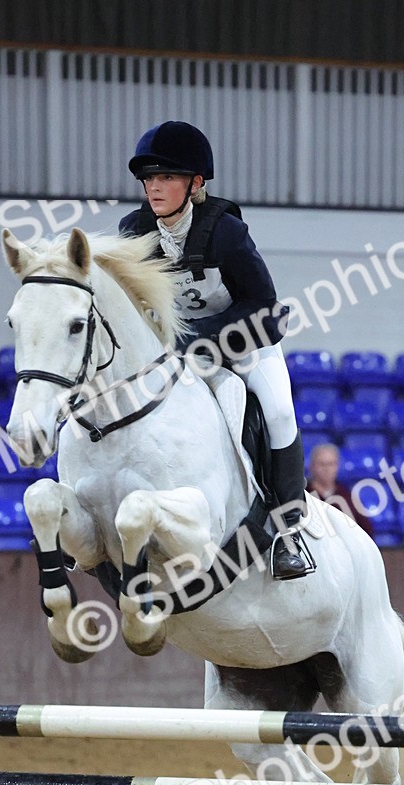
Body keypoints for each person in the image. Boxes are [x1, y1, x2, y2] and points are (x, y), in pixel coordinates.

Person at [119, 120, 312, 580]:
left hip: (244, 345)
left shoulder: (226, 232)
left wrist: (202, 338)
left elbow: (265, 306)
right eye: (149, 178)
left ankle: (288, 532)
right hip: (174, 354)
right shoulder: (134, 231)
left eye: (166, 177)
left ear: (196, 183)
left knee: (280, 412)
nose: (154, 187)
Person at [307, 443, 375, 537]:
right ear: (312, 466)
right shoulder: (304, 495)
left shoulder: (347, 496)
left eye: (330, 464)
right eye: (322, 464)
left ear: (337, 466)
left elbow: (366, 530)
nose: (326, 469)